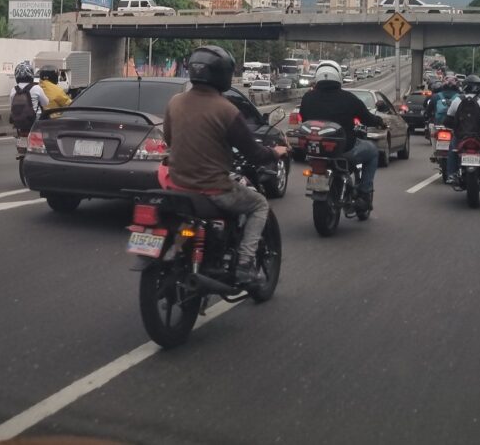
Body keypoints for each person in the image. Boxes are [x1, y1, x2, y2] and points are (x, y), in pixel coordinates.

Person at [162, 45, 288, 285]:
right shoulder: (226, 109)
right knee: (260, 205)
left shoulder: (175, 102)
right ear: (223, 74)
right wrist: (275, 152)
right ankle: (244, 263)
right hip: (213, 189)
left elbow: (170, 139)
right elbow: (254, 153)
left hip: (177, 185)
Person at [296, 60, 385, 213]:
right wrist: (379, 122)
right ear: (338, 76)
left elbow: (304, 119)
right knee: (372, 151)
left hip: (315, 150)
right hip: (344, 149)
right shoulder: (348, 98)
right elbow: (367, 118)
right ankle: (364, 193)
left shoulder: (307, 98)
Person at [443, 74, 480, 183]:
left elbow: (448, 119)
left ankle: (452, 174)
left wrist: (454, 127)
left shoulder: (457, 100)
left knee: (452, 148)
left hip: (461, 137)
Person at [11, 61, 49, 134]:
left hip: (18, 121)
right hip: (35, 121)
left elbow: (11, 105)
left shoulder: (13, 90)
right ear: (31, 75)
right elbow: (45, 103)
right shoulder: (37, 88)